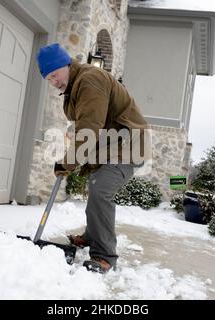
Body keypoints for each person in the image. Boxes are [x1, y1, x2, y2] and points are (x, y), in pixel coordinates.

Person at [37, 43, 147, 273]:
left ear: (66, 65)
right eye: (49, 79)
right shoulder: (74, 87)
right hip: (109, 145)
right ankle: (91, 235)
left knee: (100, 191)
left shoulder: (89, 80)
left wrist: (68, 162)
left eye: (55, 74)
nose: (54, 81)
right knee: (96, 188)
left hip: (127, 146)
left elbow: (89, 127)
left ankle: (105, 255)